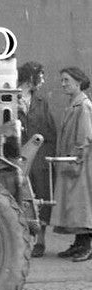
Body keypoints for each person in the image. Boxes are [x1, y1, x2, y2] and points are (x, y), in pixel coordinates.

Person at [52, 67, 92, 261]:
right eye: (62, 80)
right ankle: (79, 244)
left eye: (66, 80)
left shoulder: (83, 106)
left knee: (82, 204)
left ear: (78, 82)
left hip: (80, 164)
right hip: (74, 163)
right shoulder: (74, 104)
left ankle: (86, 246)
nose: (63, 84)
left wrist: (75, 160)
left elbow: (85, 138)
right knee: (76, 205)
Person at [18, 62, 57, 257]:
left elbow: (50, 131)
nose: (43, 80)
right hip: (18, 157)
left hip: (39, 158)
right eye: (40, 76)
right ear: (30, 77)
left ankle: (40, 241)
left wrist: (44, 157)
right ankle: (21, 240)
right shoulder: (10, 98)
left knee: (40, 197)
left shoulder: (41, 101)